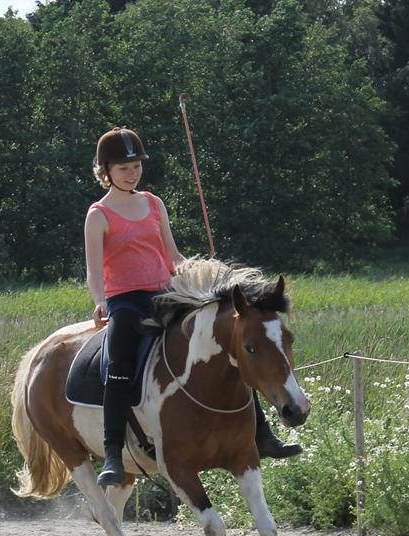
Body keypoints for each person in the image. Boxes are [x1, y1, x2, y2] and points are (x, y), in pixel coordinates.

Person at [85, 127, 299, 488]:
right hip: (125, 301)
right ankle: (110, 454)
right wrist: (100, 302)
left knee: (228, 345)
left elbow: (173, 256)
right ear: (106, 170)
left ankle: (263, 435)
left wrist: (213, 277)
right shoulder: (99, 214)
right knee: (119, 362)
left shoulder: (153, 203)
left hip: (167, 294)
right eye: (123, 167)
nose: (132, 172)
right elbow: (94, 270)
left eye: (136, 165)